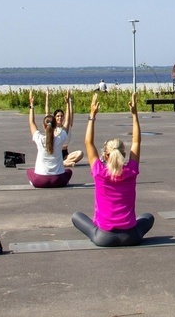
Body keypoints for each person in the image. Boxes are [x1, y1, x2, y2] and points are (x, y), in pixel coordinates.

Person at [71, 92, 154, 247]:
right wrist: (134, 115)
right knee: (148, 217)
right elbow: (136, 141)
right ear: (123, 154)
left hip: (104, 237)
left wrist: (92, 115)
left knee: (76, 216)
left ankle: (98, 230)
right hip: (131, 236)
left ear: (105, 155)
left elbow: (88, 143)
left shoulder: (99, 171)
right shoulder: (131, 171)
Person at [27, 90, 73, 188]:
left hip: (40, 180)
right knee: (68, 171)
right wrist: (68, 103)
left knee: (29, 171)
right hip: (58, 180)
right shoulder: (60, 138)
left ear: (44, 127)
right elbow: (67, 121)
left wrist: (31, 104)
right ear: (55, 125)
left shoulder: (39, 138)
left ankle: (33, 182)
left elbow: (32, 122)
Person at [45, 88, 83, 167]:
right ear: (54, 117)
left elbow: (70, 114)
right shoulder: (51, 127)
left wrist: (69, 102)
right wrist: (47, 97)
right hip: (55, 152)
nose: (60, 118)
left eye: (61, 116)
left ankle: (63, 163)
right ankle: (62, 163)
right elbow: (47, 113)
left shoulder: (67, 127)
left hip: (65, 153)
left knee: (80, 154)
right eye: (58, 116)